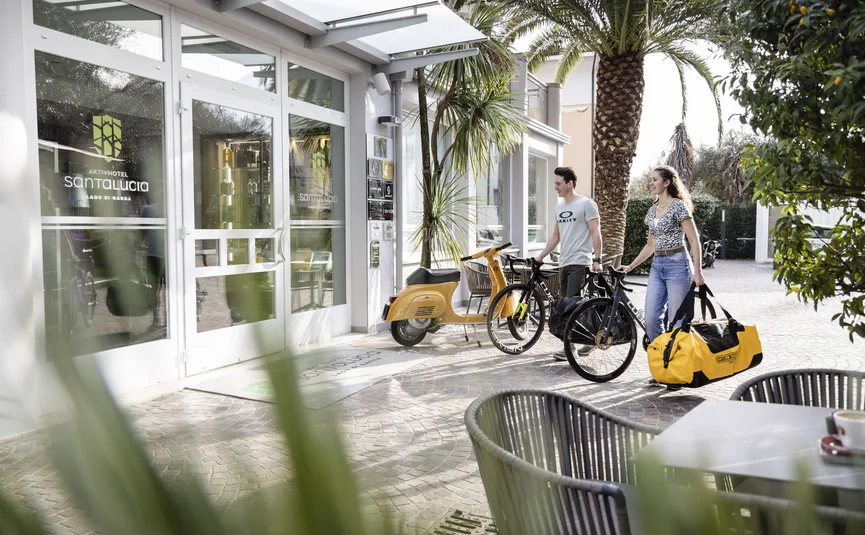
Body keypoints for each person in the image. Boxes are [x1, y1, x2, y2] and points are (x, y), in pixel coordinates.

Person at [622, 165, 705, 348]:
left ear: (666, 182)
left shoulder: (677, 206)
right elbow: (650, 245)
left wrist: (697, 271)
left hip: (678, 264)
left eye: (655, 179)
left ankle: (676, 369)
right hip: (657, 265)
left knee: (676, 322)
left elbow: (693, 239)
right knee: (651, 318)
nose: (650, 183)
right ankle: (662, 360)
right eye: (650, 179)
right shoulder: (652, 211)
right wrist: (630, 267)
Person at [535, 167, 603, 360]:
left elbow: (596, 233)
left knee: (572, 306)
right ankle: (587, 339)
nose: (555, 187)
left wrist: (597, 259)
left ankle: (571, 348)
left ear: (569, 183)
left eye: (558, 183)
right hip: (563, 262)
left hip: (580, 261)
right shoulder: (560, 208)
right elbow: (555, 237)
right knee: (566, 304)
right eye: (555, 183)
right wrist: (540, 256)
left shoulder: (586, 204)